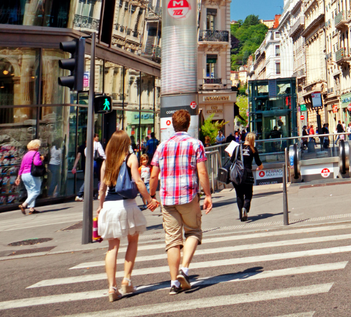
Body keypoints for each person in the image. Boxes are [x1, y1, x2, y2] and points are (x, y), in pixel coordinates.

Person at [148, 109, 212, 294]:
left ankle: (174, 282)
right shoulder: (195, 144)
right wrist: (207, 195)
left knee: (172, 242)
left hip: (168, 199)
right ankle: (184, 269)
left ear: (173, 125)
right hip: (189, 196)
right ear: (188, 124)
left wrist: (152, 196)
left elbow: (153, 175)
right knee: (193, 232)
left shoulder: (162, 146)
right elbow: (202, 172)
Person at [98, 129, 156, 302]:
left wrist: (100, 207)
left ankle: (111, 288)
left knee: (112, 247)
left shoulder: (106, 161)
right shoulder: (130, 158)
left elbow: (101, 188)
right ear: (125, 143)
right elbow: (138, 181)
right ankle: (127, 280)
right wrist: (148, 199)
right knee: (132, 241)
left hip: (109, 204)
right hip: (126, 205)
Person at [224, 131, 262, 221]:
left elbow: (232, 160)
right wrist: (259, 168)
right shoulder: (253, 149)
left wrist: (231, 155)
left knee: (239, 195)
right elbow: (259, 163)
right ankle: (245, 207)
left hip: (237, 175)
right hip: (248, 174)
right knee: (248, 194)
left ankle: (241, 214)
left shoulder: (237, 148)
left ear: (245, 138)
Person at [18, 139, 45, 214]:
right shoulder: (36, 153)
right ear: (37, 146)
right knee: (36, 191)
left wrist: (18, 177)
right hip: (32, 174)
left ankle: (31, 209)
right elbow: (37, 163)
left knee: (30, 191)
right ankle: (24, 205)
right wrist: (41, 160)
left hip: (24, 175)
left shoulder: (26, 154)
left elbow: (21, 166)